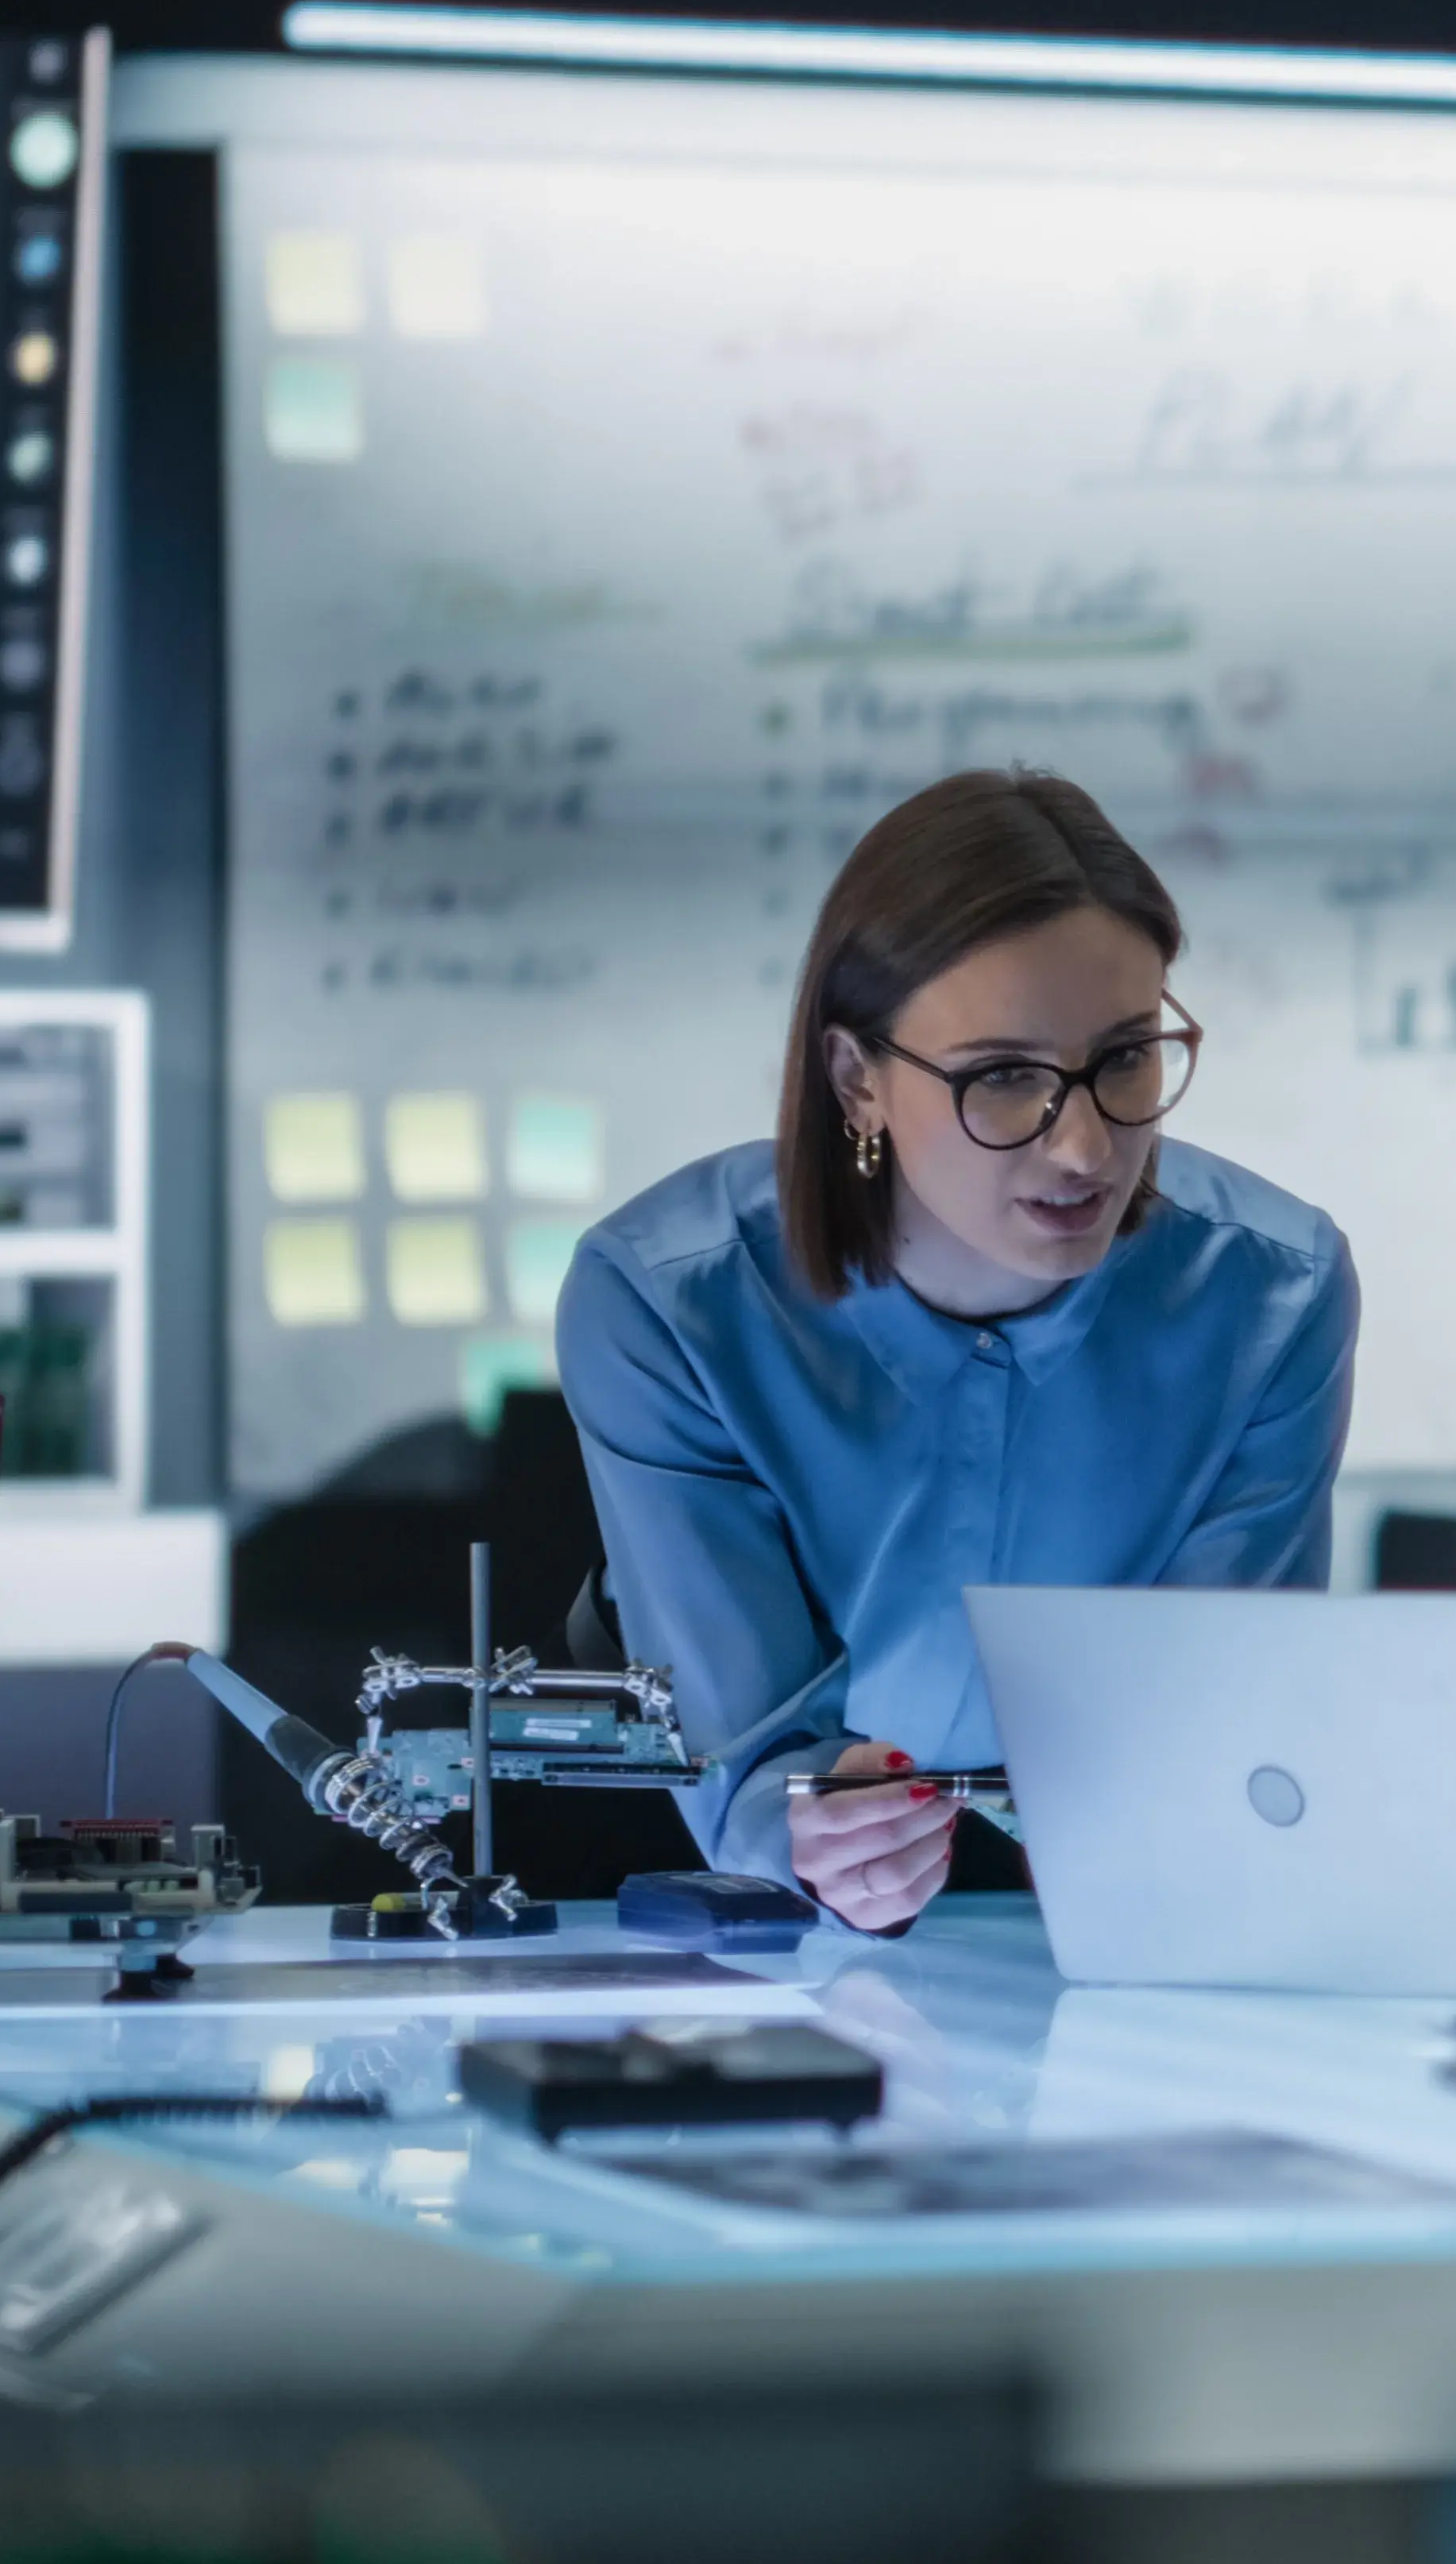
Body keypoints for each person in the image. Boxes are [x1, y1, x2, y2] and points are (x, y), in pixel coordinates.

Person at [561, 767, 1354, 1929]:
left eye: (1127, 1058)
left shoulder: (1275, 1294)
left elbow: (1216, 1730)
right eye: (1003, 1078)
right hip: (718, 1874)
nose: (1083, 1146)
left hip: (1106, 1887)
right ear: (857, 1079)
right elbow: (752, 1763)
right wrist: (818, 1820)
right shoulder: (668, 1302)